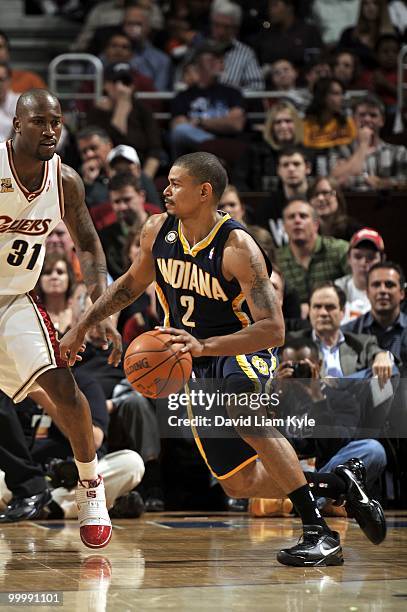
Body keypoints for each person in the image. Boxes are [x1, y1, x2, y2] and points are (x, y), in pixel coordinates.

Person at [61, 151, 385, 566]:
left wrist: (206, 347)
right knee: (238, 482)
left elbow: (274, 329)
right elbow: (129, 284)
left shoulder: (238, 248)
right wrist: (83, 324)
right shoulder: (157, 230)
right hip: (190, 357)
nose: (165, 189)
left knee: (244, 412)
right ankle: (339, 484)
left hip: (241, 347)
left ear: (204, 191)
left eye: (176, 183)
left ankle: (319, 532)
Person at [0, 88, 122, 548]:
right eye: (39, 122)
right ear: (17, 123)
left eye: (56, 121)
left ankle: (91, 487)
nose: (50, 130)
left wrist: (99, 307)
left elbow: (88, 245)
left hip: (14, 298)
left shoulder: (65, 179)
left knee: (63, 387)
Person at [330, 94, 407, 190]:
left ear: (382, 121)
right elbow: (333, 180)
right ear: (353, 119)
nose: (367, 119)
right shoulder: (341, 150)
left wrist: (381, 182)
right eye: (362, 115)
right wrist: (363, 145)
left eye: (373, 115)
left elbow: (404, 181)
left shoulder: (398, 152)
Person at [335, 228, 385, 323]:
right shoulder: (337, 289)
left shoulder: (389, 292)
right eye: (358, 256)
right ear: (349, 258)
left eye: (371, 257)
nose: (363, 263)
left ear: (382, 259)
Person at [308, 176, 362, 242]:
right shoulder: (306, 230)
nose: (320, 198)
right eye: (315, 194)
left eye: (325, 193)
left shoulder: (354, 230)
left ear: (338, 197)